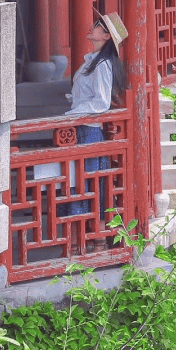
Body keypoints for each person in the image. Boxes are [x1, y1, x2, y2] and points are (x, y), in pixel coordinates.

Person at [58, 12, 127, 218]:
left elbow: (101, 102)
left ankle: (88, 232)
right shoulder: (92, 61)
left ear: (106, 36)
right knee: (79, 180)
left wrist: (73, 113)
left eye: (98, 25)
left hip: (89, 131)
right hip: (81, 126)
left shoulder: (103, 65)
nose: (92, 26)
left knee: (84, 182)